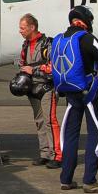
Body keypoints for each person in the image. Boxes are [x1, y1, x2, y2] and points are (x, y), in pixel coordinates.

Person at [51, 5, 98, 192]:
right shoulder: (87, 38)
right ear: (87, 21)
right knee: (95, 134)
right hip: (90, 91)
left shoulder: (59, 39)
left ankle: (66, 178)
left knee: (70, 135)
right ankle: (89, 180)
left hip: (70, 92)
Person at [13, 14, 59, 166]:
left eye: (22, 28)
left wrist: (33, 70)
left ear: (32, 27)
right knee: (40, 121)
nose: (20, 31)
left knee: (50, 121)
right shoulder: (25, 45)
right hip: (32, 88)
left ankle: (57, 156)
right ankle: (45, 154)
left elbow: (54, 67)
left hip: (46, 87)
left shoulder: (48, 44)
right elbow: (23, 63)